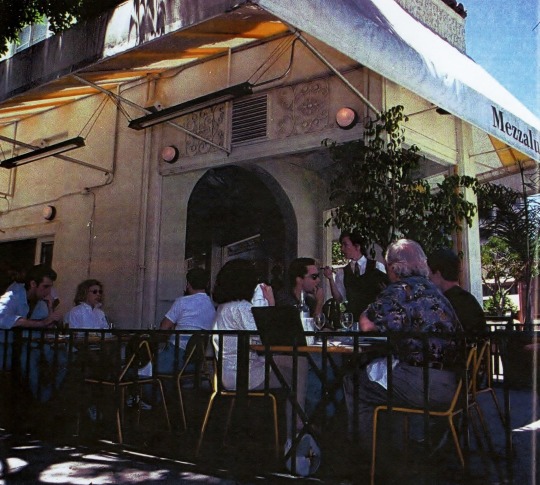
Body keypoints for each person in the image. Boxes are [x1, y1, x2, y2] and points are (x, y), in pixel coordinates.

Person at [343, 239, 462, 457]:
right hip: (455, 383)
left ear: (394, 267)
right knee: (386, 379)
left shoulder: (399, 291)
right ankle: (397, 450)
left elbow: (366, 324)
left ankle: (368, 457)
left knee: (355, 383)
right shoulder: (434, 290)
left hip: (424, 384)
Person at [212, 258, 307, 447]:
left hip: (228, 373)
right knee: (300, 365)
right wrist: (271, 303)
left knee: (294, 368)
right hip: (243, 375)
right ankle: (297, 425)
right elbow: (266, 337)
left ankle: (297, 422)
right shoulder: (241, 308)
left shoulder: (224, 307)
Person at [0, 264, 64, 402]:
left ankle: (46, 397)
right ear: (33, 284)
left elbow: (49, 325)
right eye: (45, 286)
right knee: (28, 361)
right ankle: (42, 400)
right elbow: (2, 317)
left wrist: (50, 308)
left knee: (64, 359)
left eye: (50, 287)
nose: (48, 291)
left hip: (35, 345)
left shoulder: (42, 301)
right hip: (10, 347)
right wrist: (41, 323)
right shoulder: (13, 294)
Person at [157, 267, 216, 374]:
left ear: (188, 284)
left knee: (148, 370)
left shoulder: (182, 302)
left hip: (176, 353)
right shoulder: (212, 306)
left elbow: (164, 326)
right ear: (207, 284)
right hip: (197, 356)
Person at [323, 231, 388, 321]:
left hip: (373, 319)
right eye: (341, 245)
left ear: (357, 246)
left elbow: (386, 292)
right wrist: (330, 279)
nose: (342, 249)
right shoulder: (342, 272)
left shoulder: (376, 267)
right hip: (353, 319)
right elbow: (339, 299)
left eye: (345, 245)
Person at [427, 248, 487, 334]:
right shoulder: (470, 300)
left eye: (429, 275)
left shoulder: (442, 304)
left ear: (437, 274)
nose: (428, 279)